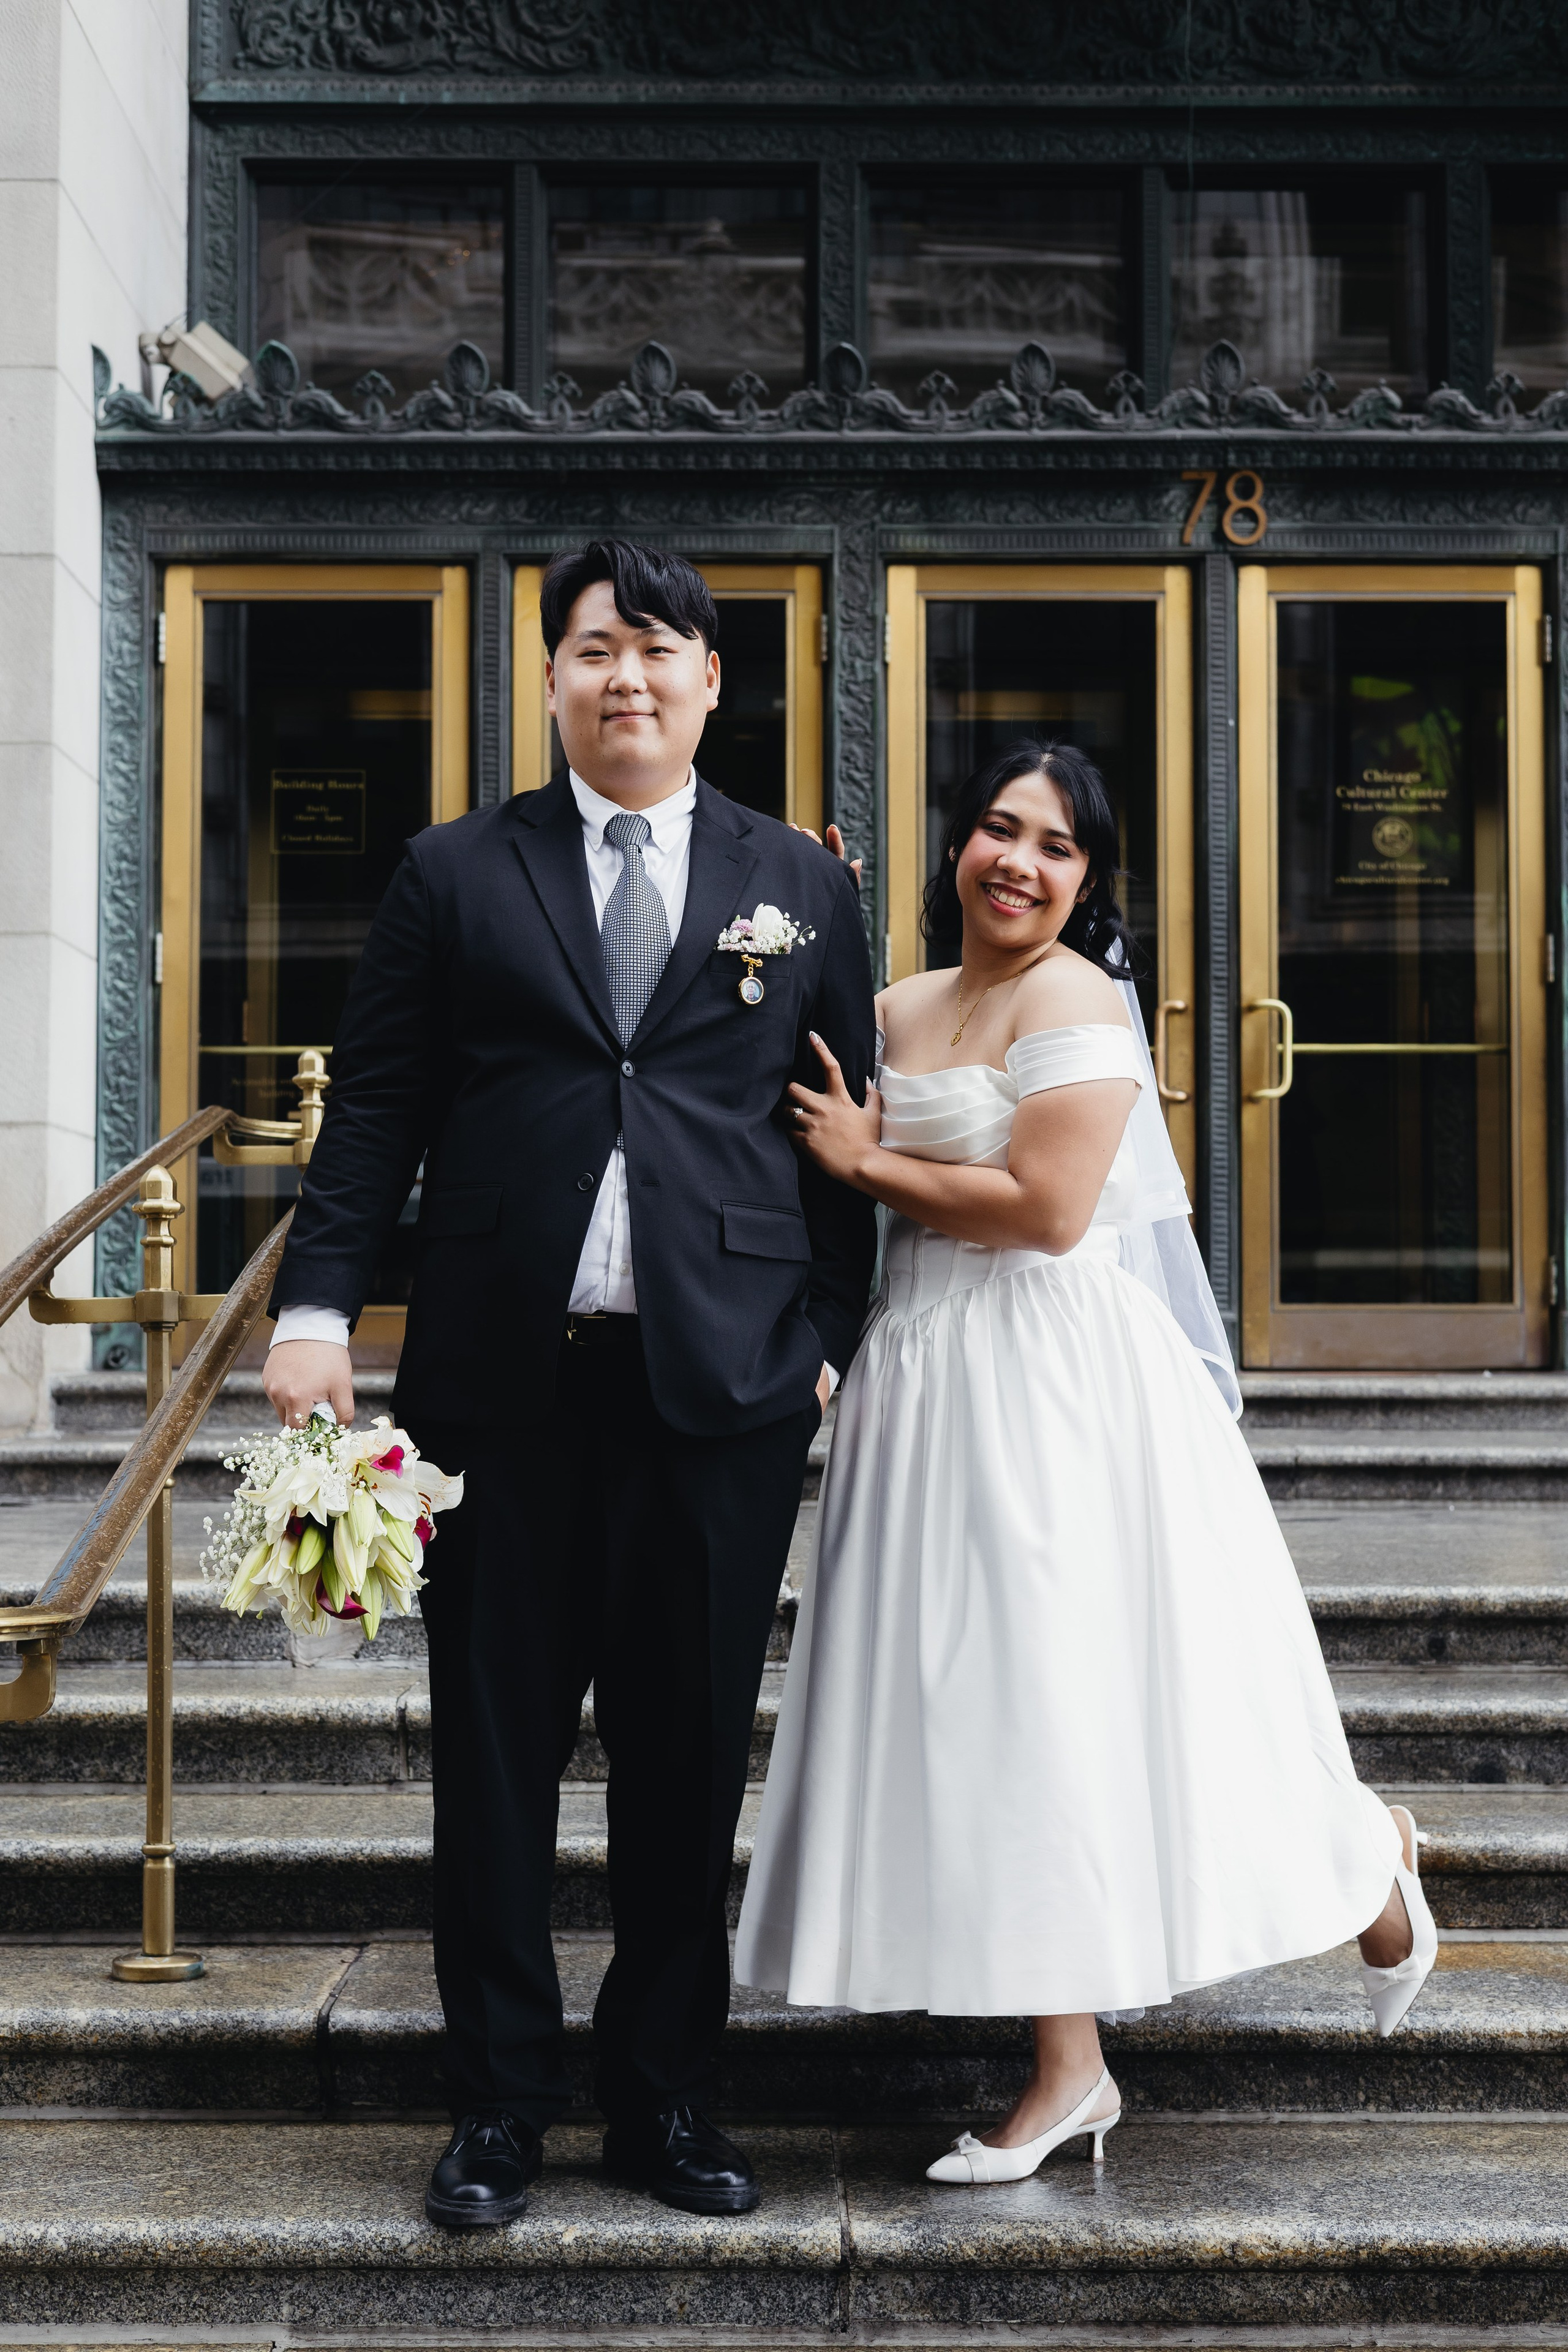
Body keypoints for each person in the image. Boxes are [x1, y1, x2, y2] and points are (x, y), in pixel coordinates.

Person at [262, 540, 876, 2223]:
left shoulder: (801, 884)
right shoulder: (453, 873)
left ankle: (669, 2099)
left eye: (660, 651)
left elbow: (846, 1137)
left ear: (710, 684)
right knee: (496, 1759)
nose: (629, 677)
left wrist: (823, 1337)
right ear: (548, 677)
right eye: (597, 648)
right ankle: (500, 2106)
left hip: (723, 1392)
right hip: (497, 1390)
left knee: (685, 1771)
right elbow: (377, 1109)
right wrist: (317, 1308)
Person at [734, 739, 1436, 2184]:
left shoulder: (1076, 1001)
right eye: (997, 830)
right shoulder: (901, 1004)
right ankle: (1316, 1896)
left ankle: (1108, 2044)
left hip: (1046, 1386)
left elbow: (1047, 1210)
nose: (1017, 862)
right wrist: (789, 904)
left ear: (1085, 880)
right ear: (958, 845)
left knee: (1063, 1697)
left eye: (1053, 847)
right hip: (920, 1378)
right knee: (988, 1714)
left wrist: (868, 1166)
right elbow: (753, 1057)